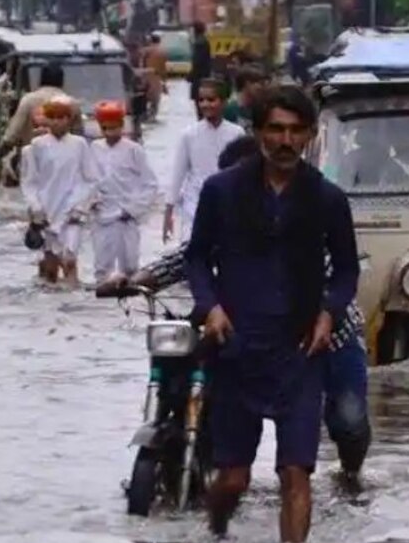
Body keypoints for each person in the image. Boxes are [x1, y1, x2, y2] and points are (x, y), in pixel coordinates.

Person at [115, 134, 372, 483]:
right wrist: (135, 279)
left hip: (331, 336)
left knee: (348, 420)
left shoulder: (309, 211)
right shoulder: (228, 211)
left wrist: (319, 307)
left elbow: (336, 271)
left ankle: (351, 474)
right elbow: (191, 256)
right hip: (258, 333)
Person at [185, 85, 360, 543]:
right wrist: (211, 308)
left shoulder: (328, 199)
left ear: (309, 136)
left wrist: (329, 314)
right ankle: (216, 540)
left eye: (295, 131)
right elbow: (197, 257)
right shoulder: (221, 191)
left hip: (299, 352)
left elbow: (345, 271)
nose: (285, 141)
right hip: (236, 348)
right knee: (233, 480)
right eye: (276, 129)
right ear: (258, 132)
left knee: (296, 475)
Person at [20, 96, 101, 286]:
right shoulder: (36, 146)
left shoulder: (80, 144)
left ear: (69, 120)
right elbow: (30, 181)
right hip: (47, 211)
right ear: (45, 119)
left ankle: (73, 303)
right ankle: (49, 306)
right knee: (50, 267)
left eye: (62, 117)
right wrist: (36, 207)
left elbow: (91, 179)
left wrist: (82, 205)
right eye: (52, 117)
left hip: (73, 210)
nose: (57, 122)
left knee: (70, 259)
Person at [163, 77, 246, 245]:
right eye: (201, 100)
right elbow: (178, 174)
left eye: (211, 100)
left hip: (226, 202)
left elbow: (243, 173)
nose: (205, 104)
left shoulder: (237, 133)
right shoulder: (189, 134)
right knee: (191, 248)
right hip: (194, 202)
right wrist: (168, 211)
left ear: (223, 102)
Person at [88, 100, 159, 283]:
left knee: (130, 265)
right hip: (102, 215)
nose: (110, 133)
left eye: (114, 128)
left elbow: (150, 184)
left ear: (122, 125)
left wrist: (132, 209)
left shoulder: (134, 150)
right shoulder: (94, 149)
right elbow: (87, 180)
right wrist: (90, 200)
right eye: (105, 129)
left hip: (127, 214)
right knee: (102, 267)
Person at [3, 61, 80, 149]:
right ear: (62, 80)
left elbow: (11, 135)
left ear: (41, 79)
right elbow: (79, 133)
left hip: (33, 155)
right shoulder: (72, 104)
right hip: (65, 156)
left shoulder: (28, 100)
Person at [223, 65, 269, 130]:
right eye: (259, 83)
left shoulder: (254, 109)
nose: (262, 88)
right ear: (247, 83)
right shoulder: (230, 109)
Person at [141, 32, 168, 121]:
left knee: (143, 98)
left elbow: (141, 64)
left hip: (145, 76)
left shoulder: (145, 50)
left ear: (150, 40)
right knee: (155, 100)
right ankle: (152, 116)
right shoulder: (163, 52)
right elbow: (163, 68)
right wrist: (164, 82)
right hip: (156, 77)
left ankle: (144, 115)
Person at [188, 22, 212, 102]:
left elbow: (197, 61)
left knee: (199, 100)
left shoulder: (199, 43)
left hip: (199, 77)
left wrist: (191, 74)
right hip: (203, 75)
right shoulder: (203, 41)